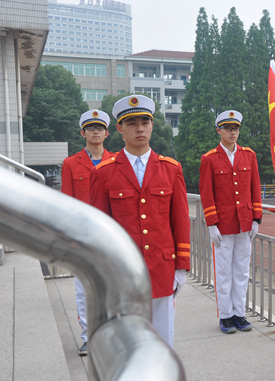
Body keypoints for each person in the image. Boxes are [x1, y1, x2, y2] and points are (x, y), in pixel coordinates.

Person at [89, 95, 190, 348]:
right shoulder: (103, 173)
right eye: (131, 123)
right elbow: (98, 230)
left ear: (153, 125)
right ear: (120, 129)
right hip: (123, 272)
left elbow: (180, 221)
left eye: (145, 121)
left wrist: (181, 267)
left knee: (163, 341)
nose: (140, 128)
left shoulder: (171, 168)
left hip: (162, 267)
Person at [199, 110, 262, 334]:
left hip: (244, 223)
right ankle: (225, 315)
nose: (232, 132)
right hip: (223, 225)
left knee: (242, 270)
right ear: (219, 130)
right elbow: (206, 193)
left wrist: (256, 218)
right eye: (228, 128)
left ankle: (239, 313)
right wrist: (211, 224)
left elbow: (255, 188)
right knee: (224, 271)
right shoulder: (210, 158)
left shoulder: (249, 155)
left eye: (235, 128)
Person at [61, 109, 115, 356]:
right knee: (84, 287)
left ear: (107, 133)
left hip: (109, 235)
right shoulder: (71, 164)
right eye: (91, 128)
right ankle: (88, 336)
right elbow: (67, 203)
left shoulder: (117, 161)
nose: (96, 132)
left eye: (100, 128)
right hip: (82, 235)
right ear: (83, 132)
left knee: (110, 286)